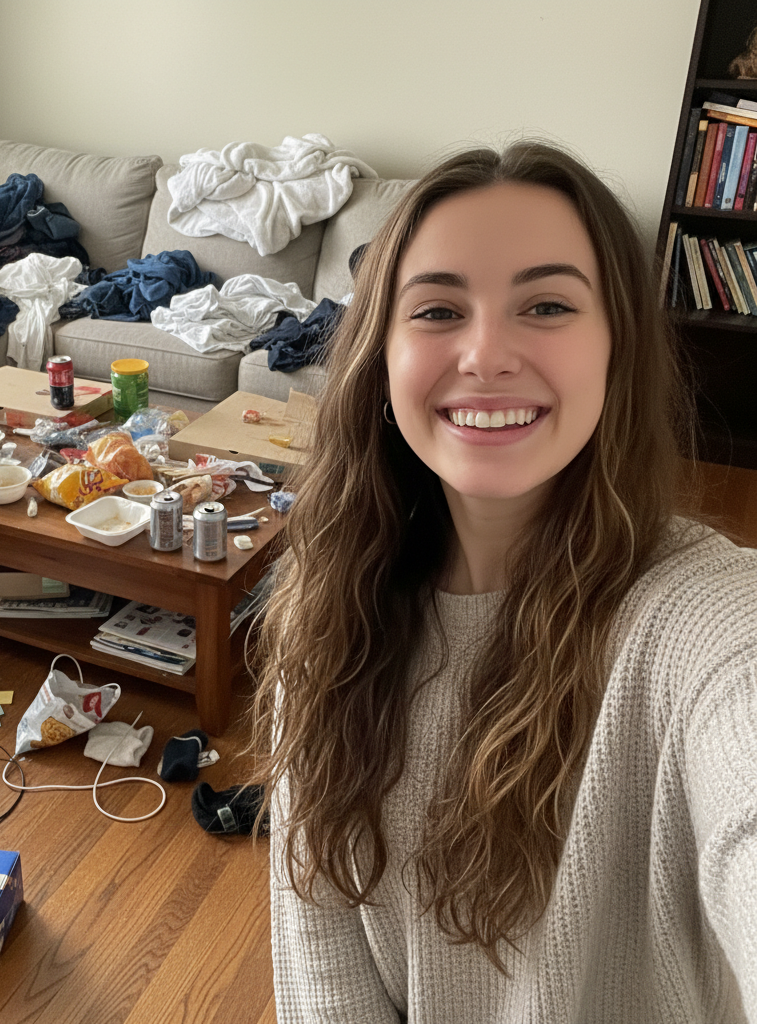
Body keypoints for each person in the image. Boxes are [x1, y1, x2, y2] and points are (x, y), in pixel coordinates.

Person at [250, 140, 757, 1022]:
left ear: (616, 349)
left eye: (548, 305)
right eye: (439, 310)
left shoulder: (703, 619)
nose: (485, 355)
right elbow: (324, 967)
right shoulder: (327, 605)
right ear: (381, 355)